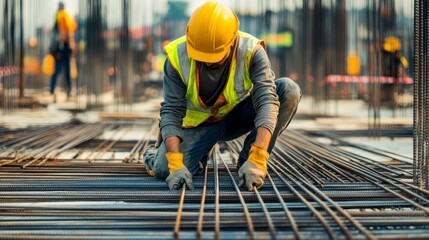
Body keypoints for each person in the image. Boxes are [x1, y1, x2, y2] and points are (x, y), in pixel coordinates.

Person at [144, 1, 301, 191]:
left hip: (237, 115)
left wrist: (258, 158)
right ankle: (166, 153)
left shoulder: (251, 51)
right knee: (163, 170)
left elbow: (267, 101)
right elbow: (171, 111)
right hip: (201, 125)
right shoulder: (176, 58)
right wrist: (176, 164)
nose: (208, 62)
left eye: (215, 57)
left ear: (232, 40)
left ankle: (249, 161)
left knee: (289, 90)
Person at [49, 2, 77, 101]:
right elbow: (55, 39)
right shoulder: (59, 21)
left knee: (66, 73)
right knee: (58, 72)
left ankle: (68, 90)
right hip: (59, 52)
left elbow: (69, 34)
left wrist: (71, 47)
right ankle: (53, 91)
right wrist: (55, 52)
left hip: (64, 51)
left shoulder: (64, 19)